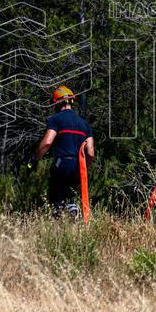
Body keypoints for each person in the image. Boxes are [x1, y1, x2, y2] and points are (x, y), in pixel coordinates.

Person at [29, 85, 95, 217]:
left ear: (57, 103)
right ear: (71, 101)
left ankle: (57, 228)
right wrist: (82, 169)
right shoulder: (84, 124)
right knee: (70, 200)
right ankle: (72, 226)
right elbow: (91, 153)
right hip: (78, 166)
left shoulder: (55, 119)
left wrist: (34, 160)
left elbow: (47, 142)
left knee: (57, 202)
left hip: (61, 164)